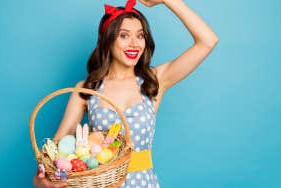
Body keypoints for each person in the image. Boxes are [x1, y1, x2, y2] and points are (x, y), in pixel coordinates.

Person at [33, 0, 218, 187]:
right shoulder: (87, 89)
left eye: (140, 36)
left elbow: (208, 41)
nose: (134, 44)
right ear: (108, 40)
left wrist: (168, 0)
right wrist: (43, 180)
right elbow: (56, 150)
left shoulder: (155, 81)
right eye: (124, 35)